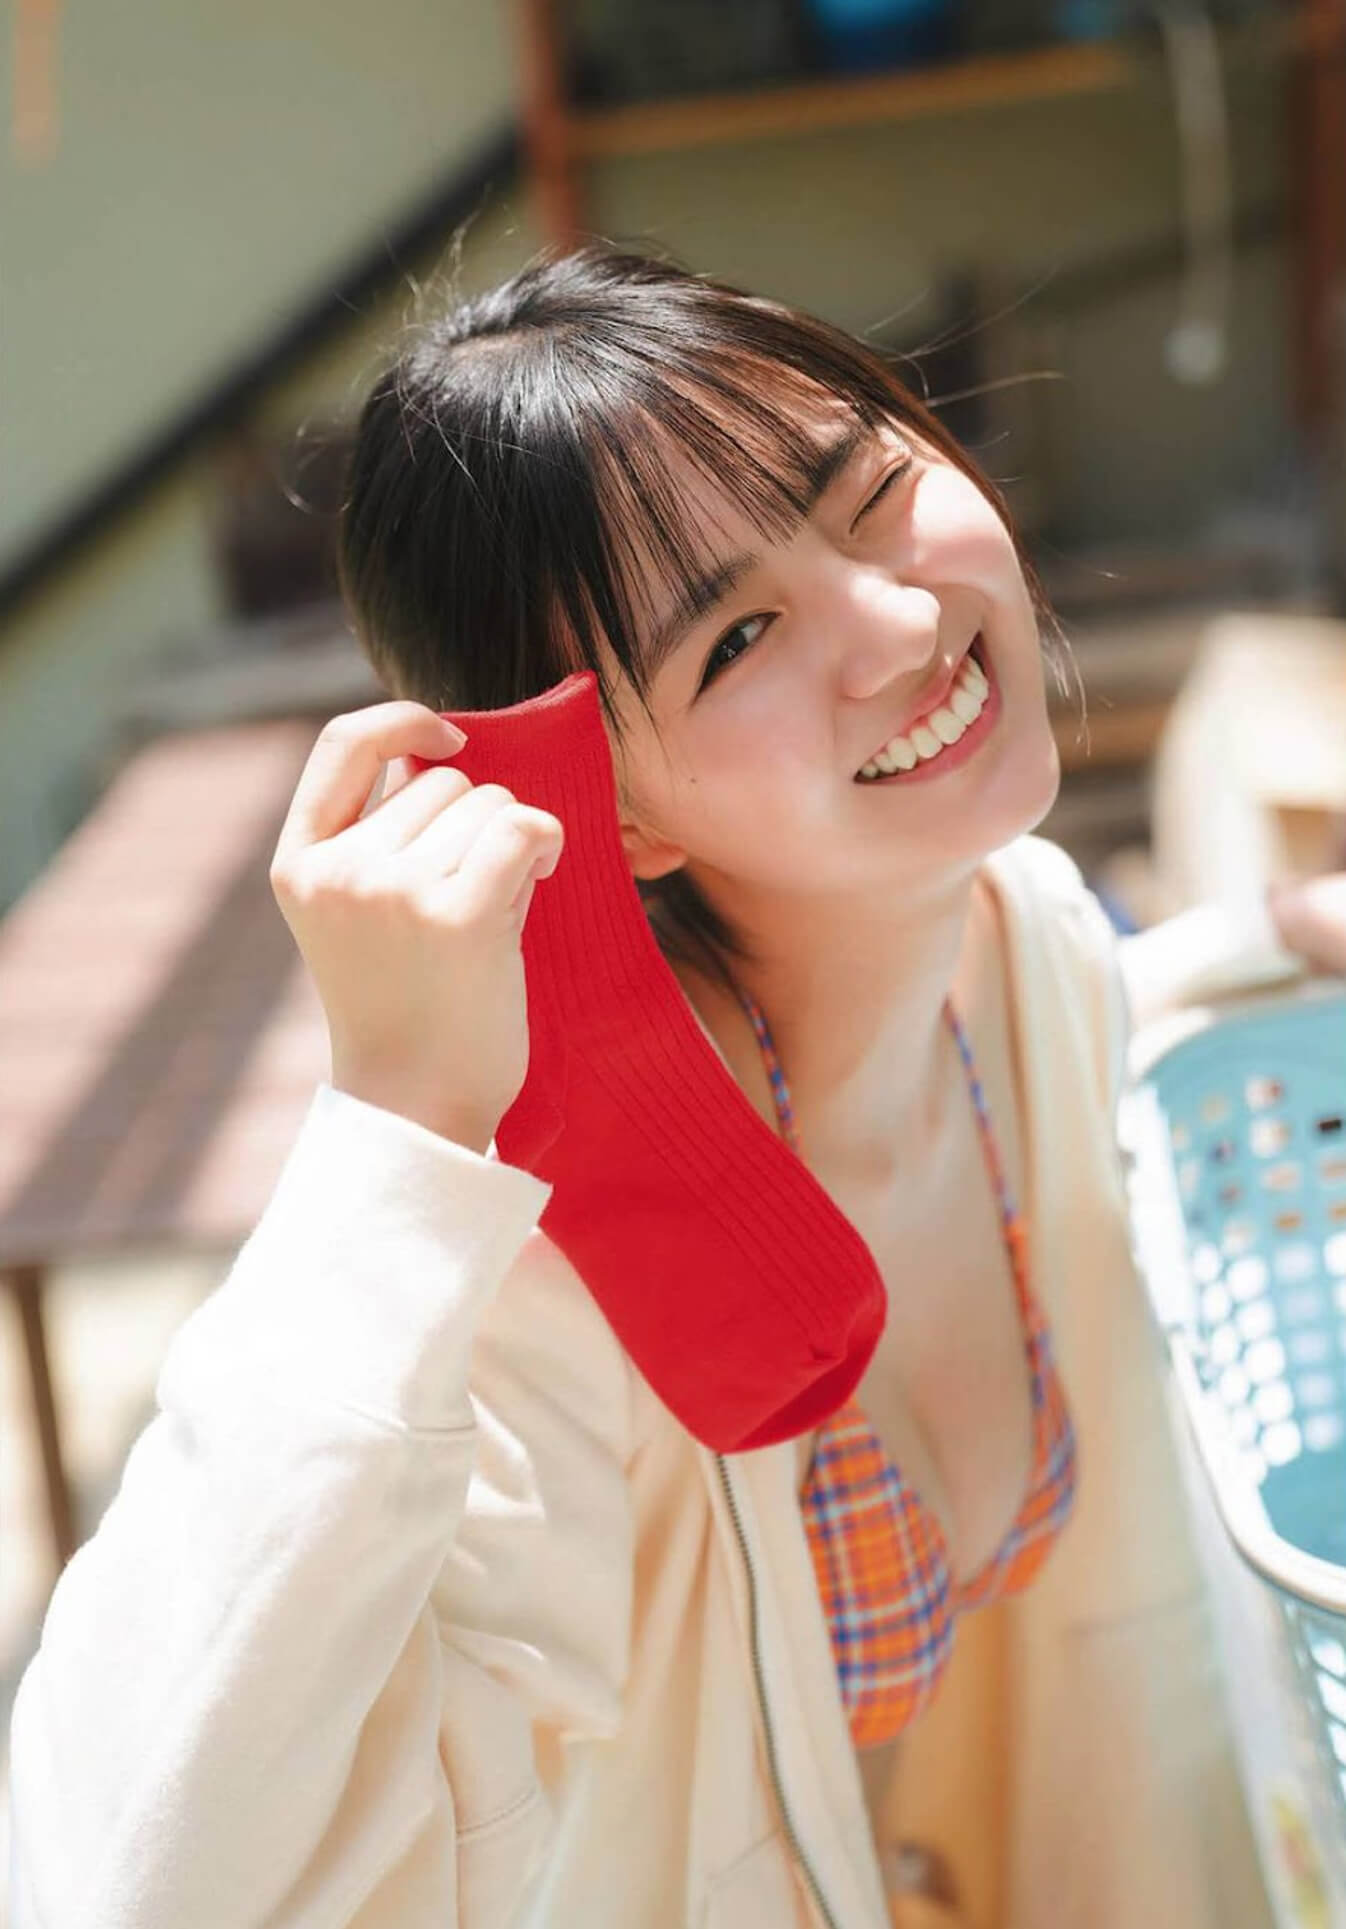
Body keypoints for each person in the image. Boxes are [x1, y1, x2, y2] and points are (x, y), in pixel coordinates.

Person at [8, 243, 1346, 1929]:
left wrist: (1268, 945)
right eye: (736, 639)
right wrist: (397, 1129)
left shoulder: (1023, 942)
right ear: (608, 808)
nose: (899, 622)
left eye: (868, 494)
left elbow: (1072, 1028)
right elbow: (133, 1881)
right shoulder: (575, 1257)